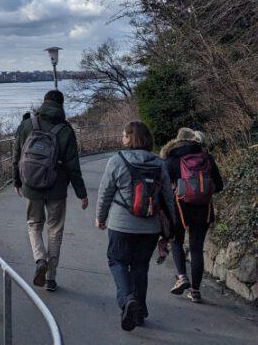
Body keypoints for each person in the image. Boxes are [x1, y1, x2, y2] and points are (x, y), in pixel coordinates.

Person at [95, 121, 174, 331]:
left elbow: (105, 193)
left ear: (131, 138)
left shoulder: (117, 161)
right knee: (140, 267)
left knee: (117, 261)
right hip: (150, 227)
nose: (122, 139)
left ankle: (128, 300)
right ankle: (138, 313)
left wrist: (100, 218)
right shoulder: (160, 164)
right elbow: (168, 198)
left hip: (121, 224)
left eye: (124, 136)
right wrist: (169, 229)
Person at [13, 90, 88, 292]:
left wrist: (17, 181)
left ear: (44, 103)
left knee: (34, 224)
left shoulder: (28, 125)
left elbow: (17, 155)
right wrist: (82, 193)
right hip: (56, 188)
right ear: (61, 105)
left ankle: (39, 259)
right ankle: (51, 278)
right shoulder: (65, 130)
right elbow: (73, 166)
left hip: (31, 186)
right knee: (54, 230)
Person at [161, 128, 224, 303]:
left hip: (179, 206)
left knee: (176, 241)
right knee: (197, 248)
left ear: (178, 140)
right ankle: (195, 291)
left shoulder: (172, 158)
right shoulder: (206, 158)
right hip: (203, 208)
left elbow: (163, 184)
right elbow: (219, 185)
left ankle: (182, 277)